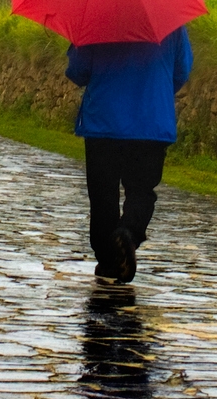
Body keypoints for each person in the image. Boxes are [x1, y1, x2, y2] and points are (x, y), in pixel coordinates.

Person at [65, 26, 193, 287]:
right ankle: (129, 232)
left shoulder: (97, 17)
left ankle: (109, 259)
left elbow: (78, 72)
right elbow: (181, 70)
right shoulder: (170, 23)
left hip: (104, 119)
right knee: (142, 189)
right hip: (150, 120)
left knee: (103, 192)